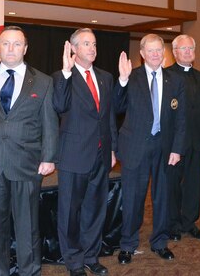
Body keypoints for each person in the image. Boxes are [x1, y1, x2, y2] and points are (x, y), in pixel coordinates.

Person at [0, 26, 58, 276]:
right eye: (5, 43)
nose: (11, 49)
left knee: (28, 226)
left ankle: (30, 271)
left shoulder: (42, 80)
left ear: (25, 48)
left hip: (27, 164)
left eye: (17, 44)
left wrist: (49, 156)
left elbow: (49, 121)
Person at [113, 34, 186, 265]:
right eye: (150, 50)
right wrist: (122, 81)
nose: (155, 54)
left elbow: (181, 120)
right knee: (133, 198)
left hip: (164, 148)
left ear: (163, 53)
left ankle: (160, 242)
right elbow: (115, 106)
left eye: (158, 50)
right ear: (142, 53)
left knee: (163, 197)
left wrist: (177, 148)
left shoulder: (175, 81)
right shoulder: (130, 77)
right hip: (135, 147)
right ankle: (128, 244)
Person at [52, 28, 117, 276]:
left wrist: (112, 149)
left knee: (96, 209)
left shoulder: (105, 77)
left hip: (101, 155)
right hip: (74, 155)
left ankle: (91, 256)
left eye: (94, 44)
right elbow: (59, 105)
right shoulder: (61, 76)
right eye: (86, 44)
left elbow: (109, 116)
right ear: (74, 48)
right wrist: (67, 73)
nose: (92, 48)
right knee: (70, 212)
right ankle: (74, 262)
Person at [166, 34, 200, 241]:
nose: (187, 52)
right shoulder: (166, 75)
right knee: (172, 183)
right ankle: (172, 223)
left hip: (195, 141)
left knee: (193, 183)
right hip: (173, 142)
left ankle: (189, 221)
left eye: (190, 49)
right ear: (175, 52)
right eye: (183, 49)